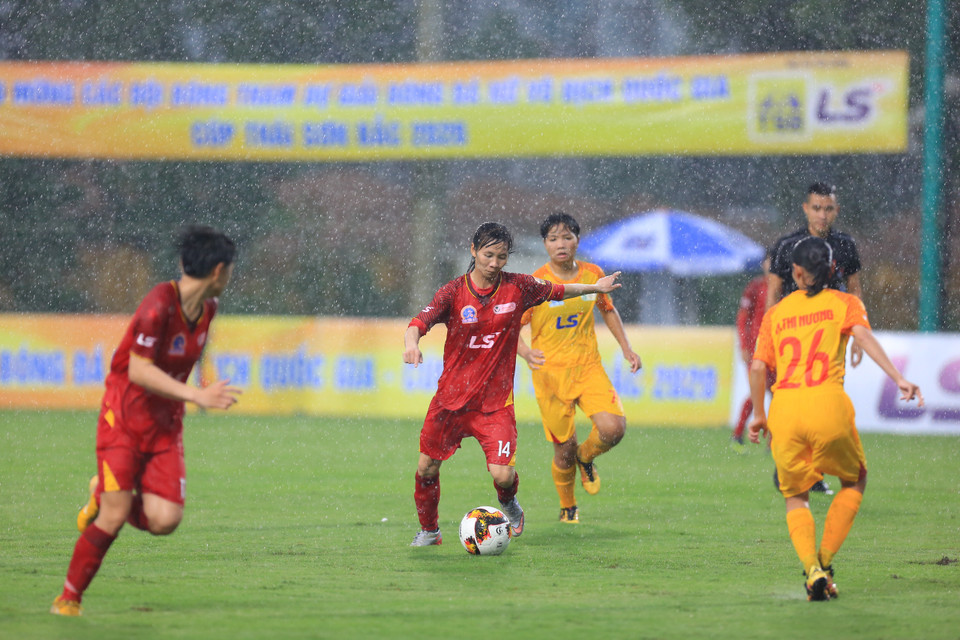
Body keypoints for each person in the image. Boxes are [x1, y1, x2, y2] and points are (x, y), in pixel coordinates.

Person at [51, 225, 241, 616]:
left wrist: (200, 382)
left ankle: (103, 492)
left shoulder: (208, 310)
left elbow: (189, 349)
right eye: (231, 269)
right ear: (219, 271)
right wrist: (196, 395)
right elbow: (138, 370)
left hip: (166, 427)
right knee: (114, 515)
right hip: (123, 419)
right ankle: (68, 599)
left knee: (165, 520)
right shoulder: (158, 305)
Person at [403, 222, 625, 546]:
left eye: (502, 257)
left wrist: (595, 288)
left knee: (503, 474)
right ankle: (430, 531)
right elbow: (418, 323)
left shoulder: (519, 287)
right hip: (450, 401)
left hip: (495, 405)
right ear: (473, 250)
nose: (495, 263)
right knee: (426, 468)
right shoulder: (453, 292)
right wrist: (412, 344)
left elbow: (560, 290)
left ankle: (508, 502)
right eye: (488, 255)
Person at [747, 236, 922, 601]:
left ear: (796, 272)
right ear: (832, 270)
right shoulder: (845, 303)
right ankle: (825, 562)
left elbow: (759, 367)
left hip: (785, 410)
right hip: (828, 404)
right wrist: (899, 378)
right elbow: (864, 338)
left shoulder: (776, 313)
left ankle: (811, 570)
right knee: (854, 480)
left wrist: (760, 416)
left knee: (795, 495)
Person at [516, 212, 641, 524]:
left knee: (614, 429)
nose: (561, 244)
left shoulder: (592, 274)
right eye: (553, 239)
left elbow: (607, 310)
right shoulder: (536, 284)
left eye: (567, 237)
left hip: (588, 367)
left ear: (577, 240)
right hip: (550, 375)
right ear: (545, 244)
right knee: (564, 449)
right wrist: (526, 353)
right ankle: (568, 506)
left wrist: (626, 348)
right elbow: (511, 326)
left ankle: (586, 457)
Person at [766, 182, 863, 493]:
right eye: (817, 208)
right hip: (795, 338)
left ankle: (812, 471)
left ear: (836, 211)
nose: (822, 215)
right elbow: (773, 293)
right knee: (792, 400)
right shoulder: (787, 246)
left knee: (825, 405)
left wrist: (858, 335)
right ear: (805, 209)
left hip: (829, 339)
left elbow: (855, 292)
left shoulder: (845, 245)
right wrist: (770, 336)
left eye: (828, 209)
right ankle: (791, 465)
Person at [730, 252, 772, 447]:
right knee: (757, 391)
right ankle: (738, 434)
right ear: (763, 264)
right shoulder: (755, 287)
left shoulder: (785, 289)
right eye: (769, 261)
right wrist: (744, 345)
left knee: (778, 393)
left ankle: (774, 441)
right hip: (756, 348)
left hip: (776, 350)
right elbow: (743, 318)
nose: (771, 266)